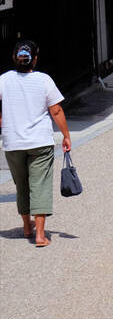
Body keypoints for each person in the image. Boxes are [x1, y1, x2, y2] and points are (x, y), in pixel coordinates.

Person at [0, 39, 71, 247]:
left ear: (15, 58)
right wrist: (66, 135)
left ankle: (26, 226)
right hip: (40, 142)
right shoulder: (44, 80)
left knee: (21, 185)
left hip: (13, 143)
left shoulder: (4, 80)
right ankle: (40, 235)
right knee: (39, 185)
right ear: (35, 60)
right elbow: (56, 110)